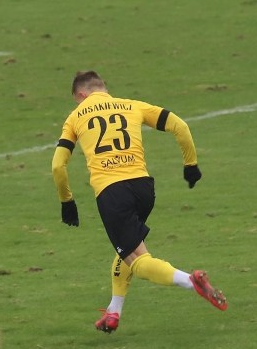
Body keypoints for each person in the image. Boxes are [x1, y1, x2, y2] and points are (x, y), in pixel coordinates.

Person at [51, 71, 227, 334]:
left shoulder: (76, 116)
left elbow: (58, 166)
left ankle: (191, 281)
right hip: (144, 189)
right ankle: (113, 312)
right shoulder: (132, 105)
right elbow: (180, 125)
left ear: (81, 95)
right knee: (127, 248)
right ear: (104, 89)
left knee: (138, 260)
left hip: (112, 192)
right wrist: (190, 164)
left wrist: (67, 201)